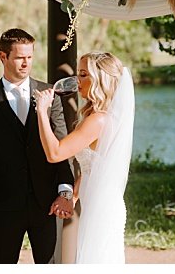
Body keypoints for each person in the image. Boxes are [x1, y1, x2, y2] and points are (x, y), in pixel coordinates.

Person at [0, 28, 75, 264]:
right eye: (19, 57)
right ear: (3, 57)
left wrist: (64, 191)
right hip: (4, 205)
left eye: (29, 57)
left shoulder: (50, 94)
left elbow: (62, 146)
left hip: (45, 203)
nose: (26, 63)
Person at [33, 52, 135, 264]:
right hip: (96, 201)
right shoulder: (98, 115)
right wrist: (73, 196)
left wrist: (42, 111)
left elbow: (55, 154)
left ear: (100, 79)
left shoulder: (98, 120)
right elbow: (94, 168)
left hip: (102, 208)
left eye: (83, 75)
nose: (77, 81)